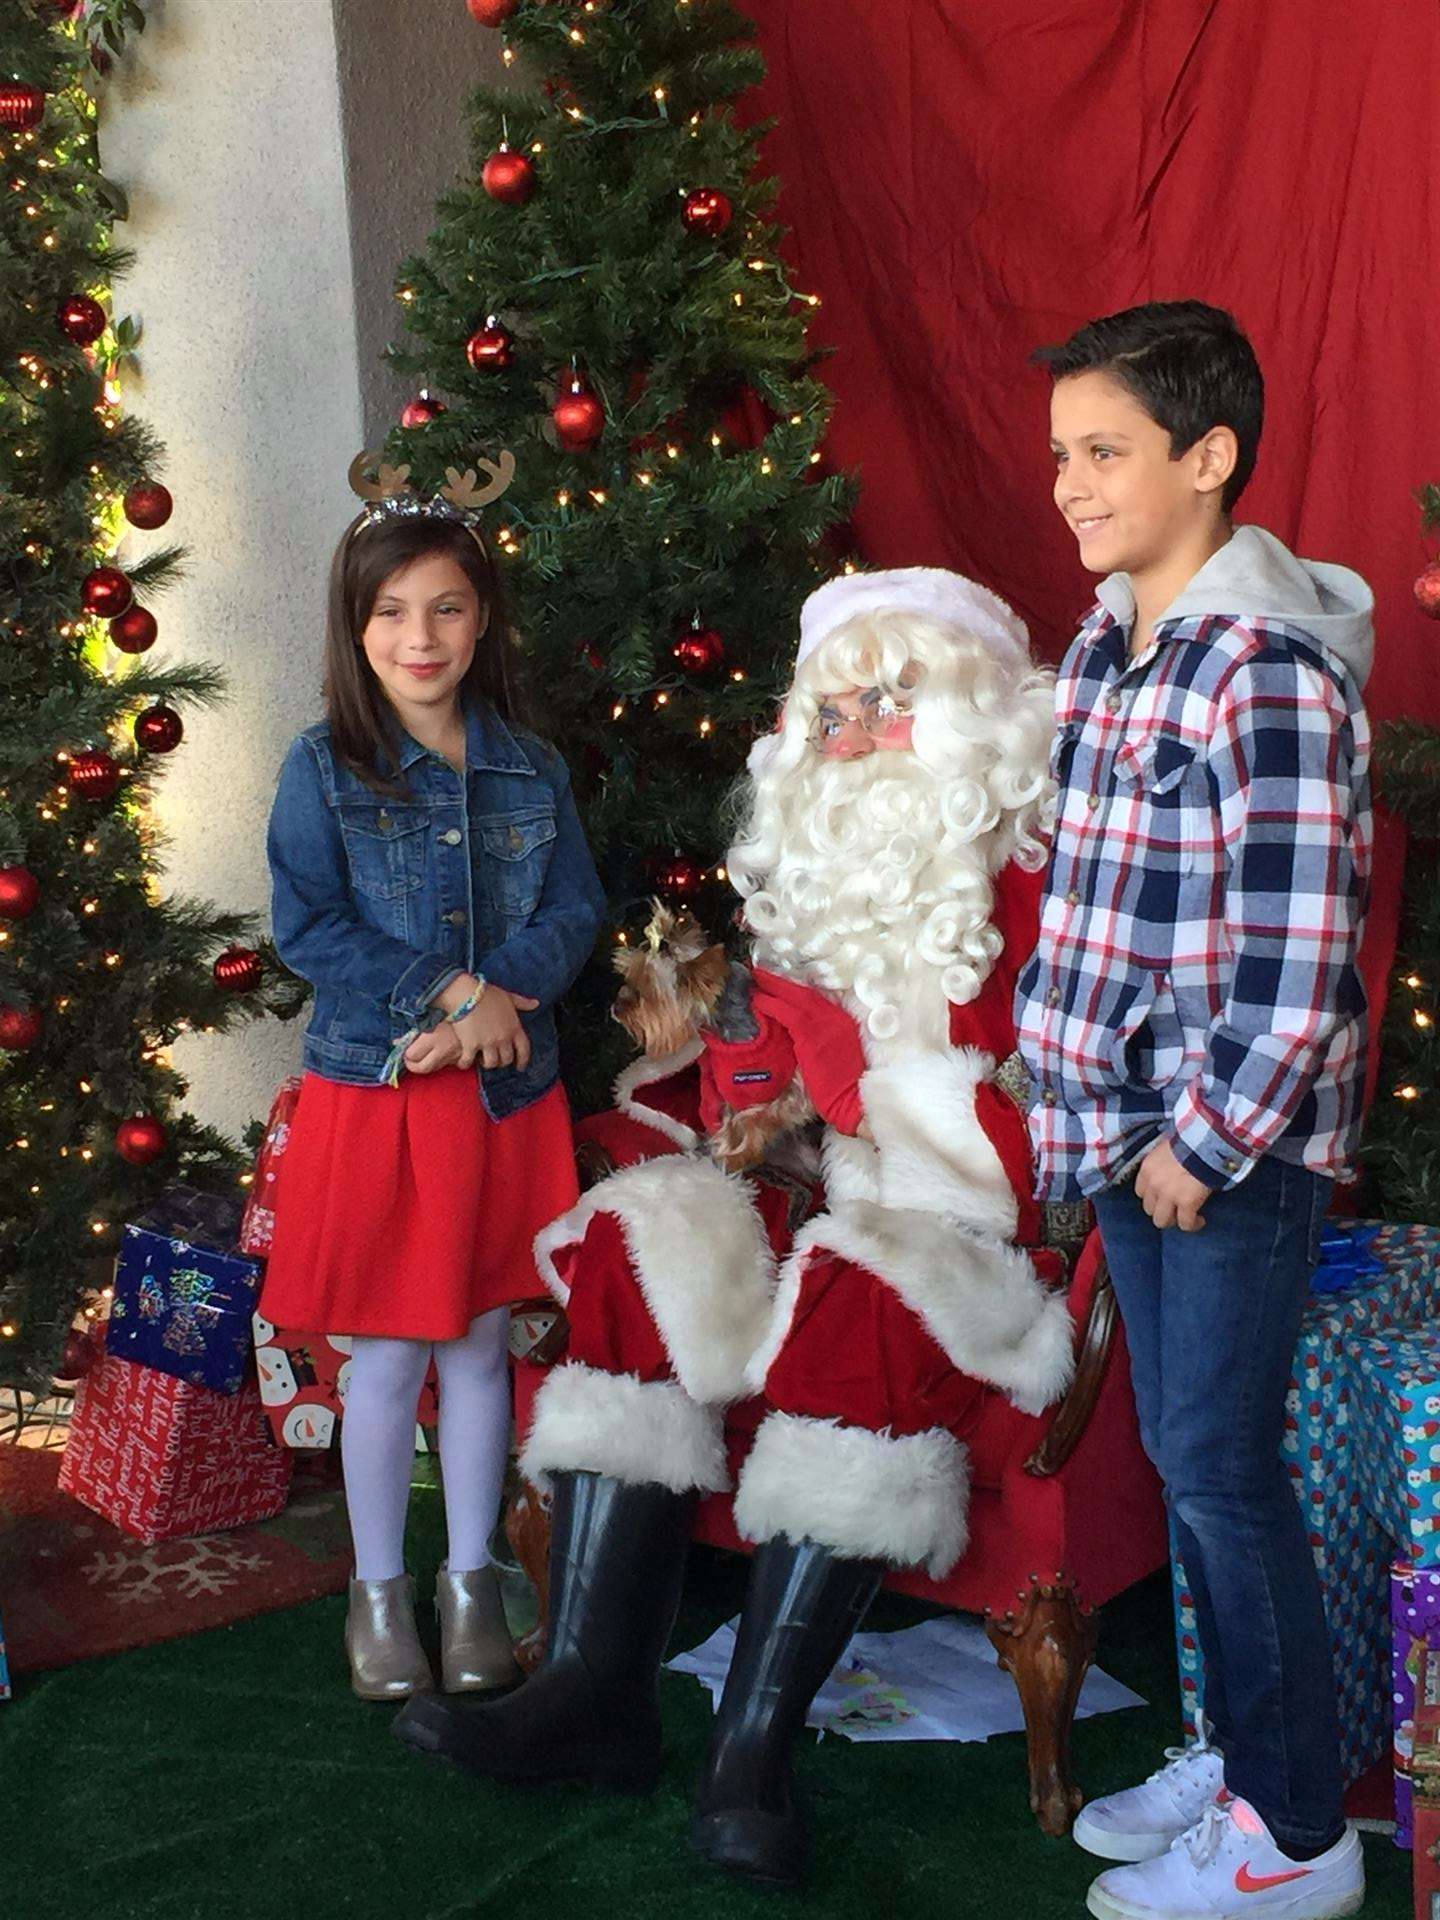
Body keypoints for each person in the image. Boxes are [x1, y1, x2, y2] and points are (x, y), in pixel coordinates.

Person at [394, 566, 1082, 1887]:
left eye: (892, 704)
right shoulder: (809, 892)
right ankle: (595, 1692)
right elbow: (750, 1098)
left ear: (976, 728)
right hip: (820, 1194)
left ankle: (752, 1744)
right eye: (832, 710)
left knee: (866, 1300)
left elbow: (1043, 1142)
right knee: (641, 1243)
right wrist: (754, 1117)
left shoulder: (1042, 894)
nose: (854, 735)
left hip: (970, 1231)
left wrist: (855, 1088)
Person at [1017, 301, 1372, 1920]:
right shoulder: (1109, 644)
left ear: (1206, 457)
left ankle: (1297, 1836)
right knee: (1186, 1459)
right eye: (1062, 456)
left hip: (1215, 1152)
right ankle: (1236, 1755)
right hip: (1116, 1135)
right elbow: (1101, 895)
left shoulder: (1274, 672)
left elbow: (1298, 963)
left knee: (1222, 1472)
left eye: (1104, 452)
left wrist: (1203, 1147)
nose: (1073, 485)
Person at [261, 478, 605, 1705]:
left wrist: (497, 999)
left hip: (498, 1104)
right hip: (383, 1101)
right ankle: (376, 1593)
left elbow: (574, 913)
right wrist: (447, 998)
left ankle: (469, 1585)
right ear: (357, 627)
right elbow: (309, 925)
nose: (422, 638)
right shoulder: (325, 767)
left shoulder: (531, 768)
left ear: (482, 621)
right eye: (395, 612)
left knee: (474, 1349)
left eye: (448, 609)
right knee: (389, 1360)